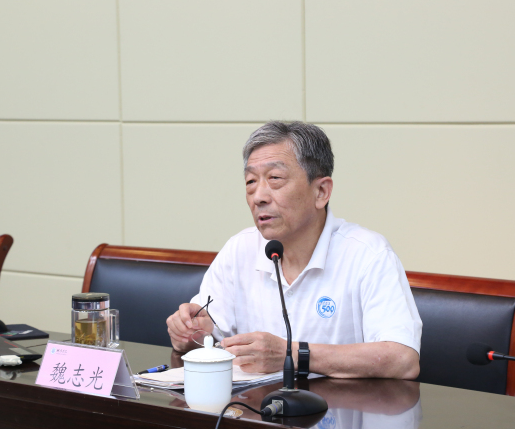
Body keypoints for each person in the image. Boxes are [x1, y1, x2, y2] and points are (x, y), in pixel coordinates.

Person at [167, 121, 422, 379]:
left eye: (275, 179)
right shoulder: (239, 250)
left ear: (321, 191)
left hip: (339, 403)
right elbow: (204, 335)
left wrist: (292, 354)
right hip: (256, 403)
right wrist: (189, 334)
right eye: (251, 181)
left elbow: (403, 360)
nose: (259, 197)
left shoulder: (367, 254)